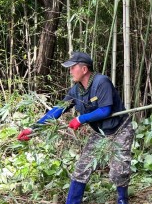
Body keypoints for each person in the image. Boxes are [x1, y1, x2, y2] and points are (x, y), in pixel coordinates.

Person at [17, 52, 134, 204]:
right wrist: (33, 129)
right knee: (81, 168)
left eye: (73, 68)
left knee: (119, 171)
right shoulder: (76, 90)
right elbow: (58, 109)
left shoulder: (101, 82)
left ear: (84, 69)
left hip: (120, 129)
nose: (70, 71)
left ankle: (122, 200)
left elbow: (105, 110)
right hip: (100, 133)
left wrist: (81, 118)